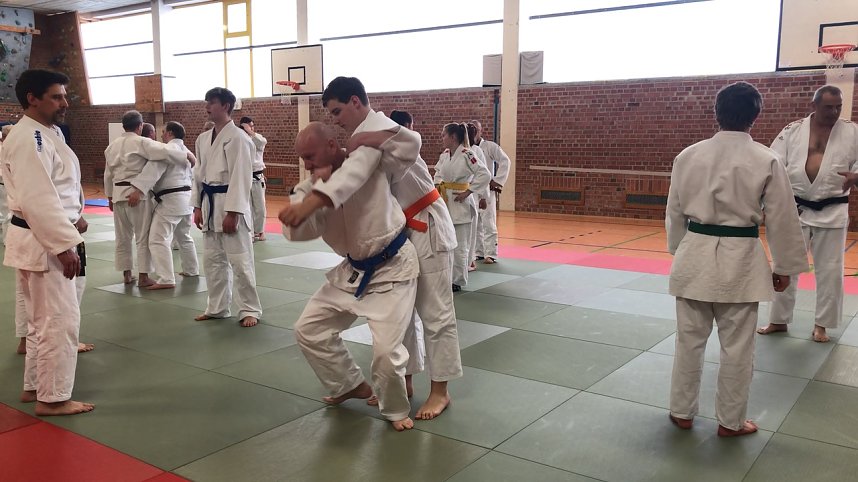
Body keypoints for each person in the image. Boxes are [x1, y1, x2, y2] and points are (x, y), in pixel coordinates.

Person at [282, 81, 463, 420]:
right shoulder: (358, 137)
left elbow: (412, 141)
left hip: (425, 220)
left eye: (337, 111)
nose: (336, 120)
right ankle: (404, 381)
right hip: (400, 228)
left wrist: (369, 139)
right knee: (404, 314)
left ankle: (441, 391)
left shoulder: (376, 126)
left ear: (355, 101)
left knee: (435, 312)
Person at [666, 81, 808, 437]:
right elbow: (782, 218)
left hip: (694, 255)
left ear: (716, 113)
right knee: (738, 349)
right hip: (741, 263)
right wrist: (785, 266)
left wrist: (679, 250)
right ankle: (730, 422)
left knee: (689, 341)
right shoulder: (766, 159)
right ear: (755, 117)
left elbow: (674, 212)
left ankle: (682, 412)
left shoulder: (688, 155)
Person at [281, 121, 419, 431]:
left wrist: (315, 200)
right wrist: (294, 216)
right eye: (302, 158)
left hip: (393, 268)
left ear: (332, 145)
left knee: (385, 353)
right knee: (308, 329)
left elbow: (348, 181)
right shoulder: (309, 187)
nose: (307, 164)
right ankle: (348, 384)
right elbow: (306, 230)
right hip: (353, 271)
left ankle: (396, 409)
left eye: (311, 155)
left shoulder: (364, 156)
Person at [1, 69, 95, 416]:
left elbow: (60, 186)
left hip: (39, 237)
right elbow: (38, 197)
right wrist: (63, 245)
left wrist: (77, 214)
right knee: (59, 320)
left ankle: (33, 387)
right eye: (57, 96)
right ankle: (52, 398)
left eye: (64, 95)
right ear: (32, 98)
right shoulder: (29, 139)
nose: (65, 102)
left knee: (42, 321)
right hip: (44, 241)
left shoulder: (45, 133)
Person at [757, 85, 858, 343]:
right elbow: (772, 162)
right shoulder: (792, 131)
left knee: (830, 270)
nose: (834, 111)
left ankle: (821, 325)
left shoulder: (852, 132)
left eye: (838, 106)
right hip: (795, 208)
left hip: (833, 208)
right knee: (784, 265)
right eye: (828, 107)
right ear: (814, 105)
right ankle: (778, 320)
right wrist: (767, 203)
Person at [191, 87, 262, 328]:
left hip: (230, 206)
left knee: (241, 261)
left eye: (212, 102)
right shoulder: (203, 139)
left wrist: (233, 212)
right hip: (210, 205)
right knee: (213, 261)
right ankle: (218, 307)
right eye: (206, 101)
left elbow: (241, 177)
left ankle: (249, 309)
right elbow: (198, 175)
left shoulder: (239, 138)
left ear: (226, 106)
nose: (207, 106)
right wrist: (197, 206)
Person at [103, 110, 192, 287]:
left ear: (123, 126)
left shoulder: (111, 147)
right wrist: (187, 155)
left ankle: (127, 274)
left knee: (122, 237)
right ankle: (143, 277)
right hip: (137, 194)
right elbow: (166, 152)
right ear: (140, 126)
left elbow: (108, 174)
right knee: (142, 236)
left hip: (118, 195)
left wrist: (110, 196)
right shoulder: (142, 142)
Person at [126, 121, 199, 290]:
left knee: (158, 239)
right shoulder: (187, 151)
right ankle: (191, 269)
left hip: (171, 200)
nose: (161, 135)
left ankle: (166, 278)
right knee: (184, 236)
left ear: (171, 133)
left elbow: (153, 171)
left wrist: (138, 190)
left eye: (164, 131)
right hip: (187, 199)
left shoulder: (166, 152)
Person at [434, 123, 491, 291]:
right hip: (445, 200)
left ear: (453, 137)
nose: (442, 138)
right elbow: (437, 173)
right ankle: (446, 276)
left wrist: (469, 191)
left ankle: (457, 280)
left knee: (460, 245)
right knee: (446, 243)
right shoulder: (445, 155)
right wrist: (437, 185)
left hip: (461, 202)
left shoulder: (468, 154)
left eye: (444, 135)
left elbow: (485, 174)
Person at [470, 119, 511, 264]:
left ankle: (491, 253)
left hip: (488, 188)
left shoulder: (489, 147)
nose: (474, 131)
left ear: (481, 131)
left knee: (488, 221)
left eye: (476, 129)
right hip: (472, 189)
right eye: (471, 128)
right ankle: (479, 251)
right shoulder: (467, 149)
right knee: (475, 222)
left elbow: (505, 161)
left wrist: (497, 180)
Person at [238, 116, 268, 242]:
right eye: (249, 125)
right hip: (244, 176)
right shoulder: (239, 139)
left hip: (257, 176)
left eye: (252, 125)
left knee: (260, 206)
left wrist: (249, 131)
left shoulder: (258, 138)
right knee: (247, 207)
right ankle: (249, 233)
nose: (251, 127)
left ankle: (259, 231)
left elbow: (261, 143)